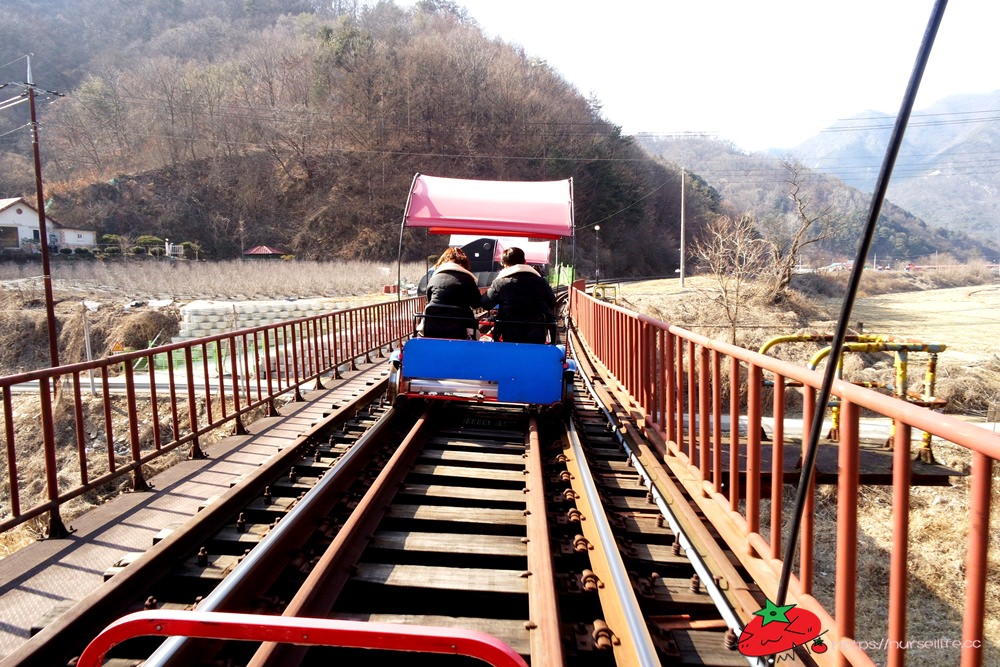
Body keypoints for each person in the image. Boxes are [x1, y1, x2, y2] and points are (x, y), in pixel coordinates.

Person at [481, 247, 557, 343]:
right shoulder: (541, 282)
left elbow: (485, 304)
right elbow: (552, 303)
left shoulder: (500, 283)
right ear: (525, 262)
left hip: (509, 333)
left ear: (505, 265)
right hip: (537, 333)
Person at [421, 247, 482, 339]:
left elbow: (429, 300)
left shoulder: (434, 278)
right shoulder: (467, 278)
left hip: (432, 327)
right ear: (463, 263)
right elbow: (476, 304)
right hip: (461, 328)